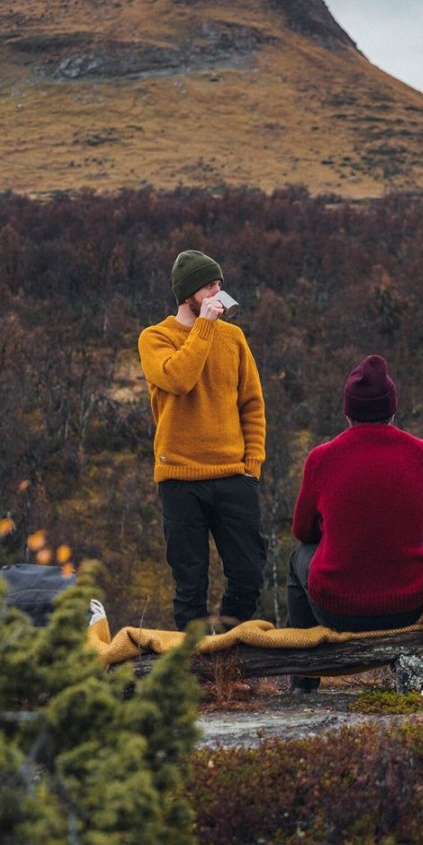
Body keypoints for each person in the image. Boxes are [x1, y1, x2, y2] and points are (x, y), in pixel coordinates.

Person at [287, 354, 423, 693]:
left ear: (348, 411)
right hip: (408, 604)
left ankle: (303, 680)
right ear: (392, 409)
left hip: (335, 608)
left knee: (298, 557)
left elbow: (302, 532)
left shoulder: (322, 458)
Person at [138, 249, 268, 631]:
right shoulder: (155, 338)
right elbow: (179, 379)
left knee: (248, 574)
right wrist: (205, 328)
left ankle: (229, 658)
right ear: (189, 292)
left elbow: (252, 403)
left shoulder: (234, 338)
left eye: (219, 285)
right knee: (190, 586)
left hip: (233, 475)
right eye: (210, 285)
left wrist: (252, 465)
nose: (218, 292)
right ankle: (196, 677)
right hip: (179, 478)